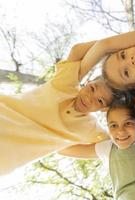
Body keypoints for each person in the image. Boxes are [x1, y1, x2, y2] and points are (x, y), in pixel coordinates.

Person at [0, 40, 114, 175]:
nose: (90, 98)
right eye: (92, 88)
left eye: (100, 101)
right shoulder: (64, 86)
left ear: (104, 109)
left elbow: (113, 145)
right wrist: (116, 47)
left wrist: (60, 146)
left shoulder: (90, 129)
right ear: (88, 82)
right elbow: (77, 51)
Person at [60, 99, 135, 200]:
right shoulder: (108, 148)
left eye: (128, 123)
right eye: (113, 125)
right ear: (107, 127)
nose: (121, 132)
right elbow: (63, 149)